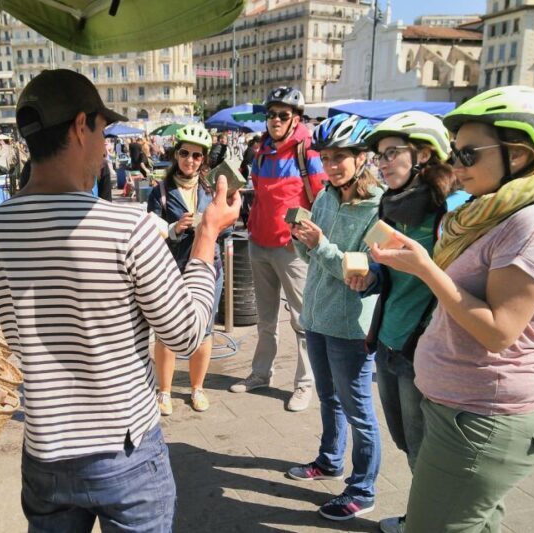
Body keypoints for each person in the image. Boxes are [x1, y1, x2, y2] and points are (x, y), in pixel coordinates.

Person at [0, 69, 240, 532]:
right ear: (81, 126)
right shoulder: (126, 229)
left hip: (45, 455)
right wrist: (208, 235)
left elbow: (19, 332)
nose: (104, 145)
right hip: (125, 451)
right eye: (102, 129)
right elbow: (186, 333)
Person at [371, 85, 534, 532]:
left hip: (484, 414)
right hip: (462, 404)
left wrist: (426, 268)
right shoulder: (492, 211)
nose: (455, 165)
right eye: (455, 153)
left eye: (467, 155)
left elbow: (500, 331)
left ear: (517, 155)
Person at [349, 111, 466, 533]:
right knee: (405, 442)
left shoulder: (453, 211)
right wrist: (368, 277)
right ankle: (424, 516)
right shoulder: (390, 204)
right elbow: (389, 274)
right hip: (388, 341)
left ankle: (428, 522)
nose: (381, 163)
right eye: (378, 155)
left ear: (424, 154)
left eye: (390, 153)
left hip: (426, 350)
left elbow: (462, 286)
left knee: (425, 449)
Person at [287, 113, 382, 521]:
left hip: (350, 327)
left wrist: (321, 244)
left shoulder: (379, 206)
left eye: (340, 157)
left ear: (362, 157)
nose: (331, 166)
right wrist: (301, 240)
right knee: (328, 399)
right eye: (326, 158)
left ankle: (364, 489)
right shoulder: (325, 196)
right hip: (317, 317)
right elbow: (311, 258)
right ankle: (329, 461)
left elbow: (358, 275)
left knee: (358, 409)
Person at [229, 87, 326, 413]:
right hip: (260, 244)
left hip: (292, 250)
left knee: (302, 320)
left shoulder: (307, 153)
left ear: (295, 118)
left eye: (283, 115)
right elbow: (257, 192)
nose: (275, 120)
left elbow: (322, 199)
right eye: (271, 115)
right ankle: (261, 373)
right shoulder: (262, 152)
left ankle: (304, 385)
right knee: (265, 318)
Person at [147, 125, 227, 415]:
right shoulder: (161, 192)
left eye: (196, 155)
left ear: (203, 159)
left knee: (204, 331)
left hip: (209, 269)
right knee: (166, 331)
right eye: (184, 153)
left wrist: (216, 226)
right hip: (172, 269)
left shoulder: (212, 190)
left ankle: (197, 388)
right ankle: (164, 391)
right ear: (175, 154)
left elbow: (226, 227)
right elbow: (149, 228)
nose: (190, 160)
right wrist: (173, 228)